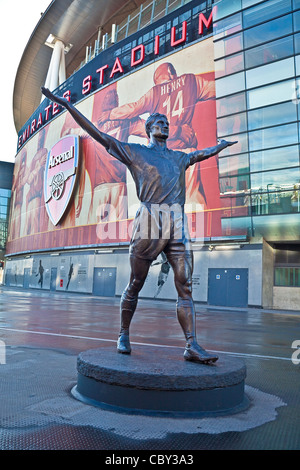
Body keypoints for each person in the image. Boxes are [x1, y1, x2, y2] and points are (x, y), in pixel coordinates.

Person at [41, 86, 237, 364]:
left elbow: (201, 154)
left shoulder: (179, 157)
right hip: (148, 222)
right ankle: (123, 333)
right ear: (148, 129)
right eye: (159, 123)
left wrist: (220, 146)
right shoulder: (135, 153)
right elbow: (100, 135)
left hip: (177, 222)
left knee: (185, 285)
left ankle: (191, 345)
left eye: (167, 123)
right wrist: (67, 106)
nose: (165, 125)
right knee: (136, 282)